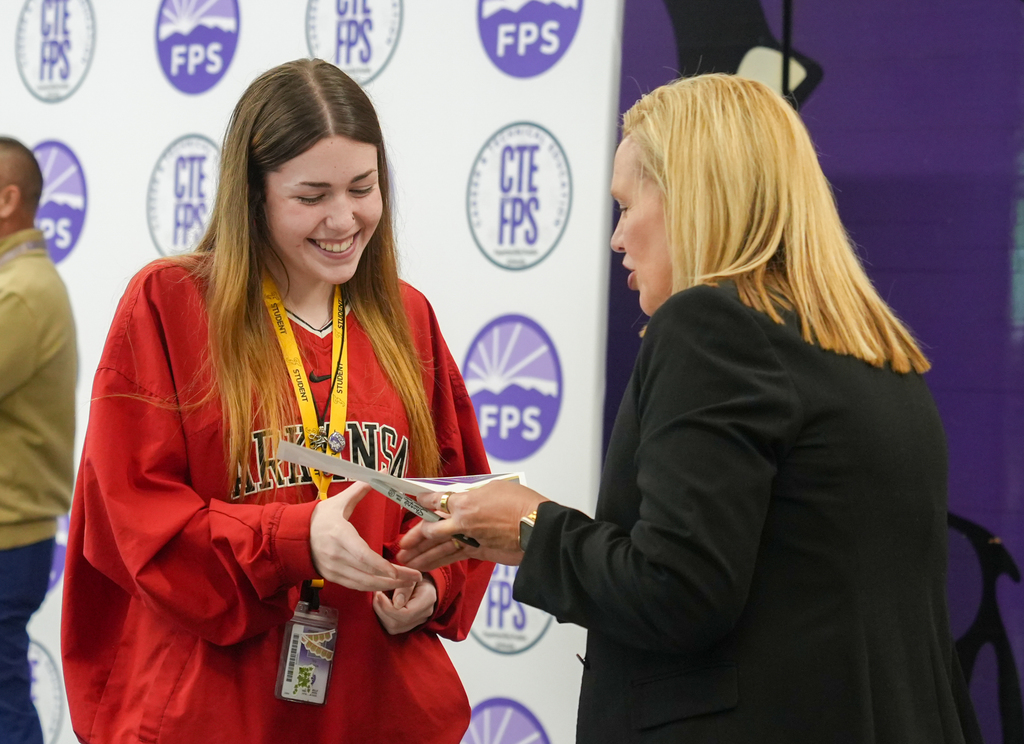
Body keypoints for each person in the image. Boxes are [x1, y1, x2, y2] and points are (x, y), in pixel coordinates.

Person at [397, 74, 983, 743]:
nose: (617, 238)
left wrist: (533, 527)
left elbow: (677, 591)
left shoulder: (709, 327)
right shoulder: (877, 353)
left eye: (625, 205)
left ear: (692, 197)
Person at [61, 59, 492, 744]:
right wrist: (295, 542)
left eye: (363, 188)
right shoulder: (171, 304)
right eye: (311, 195)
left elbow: (462, 504)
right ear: (254, 195)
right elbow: (137, 526)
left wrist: (435, 587)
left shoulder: (405, 317)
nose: (345, 218)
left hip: (377, 706)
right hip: (216, 711)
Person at [0, 137, 77, 744]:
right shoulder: (22, 283)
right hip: (14, 529)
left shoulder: (22, 291)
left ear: (8, 199)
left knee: (3, 699)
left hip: (8, 532)